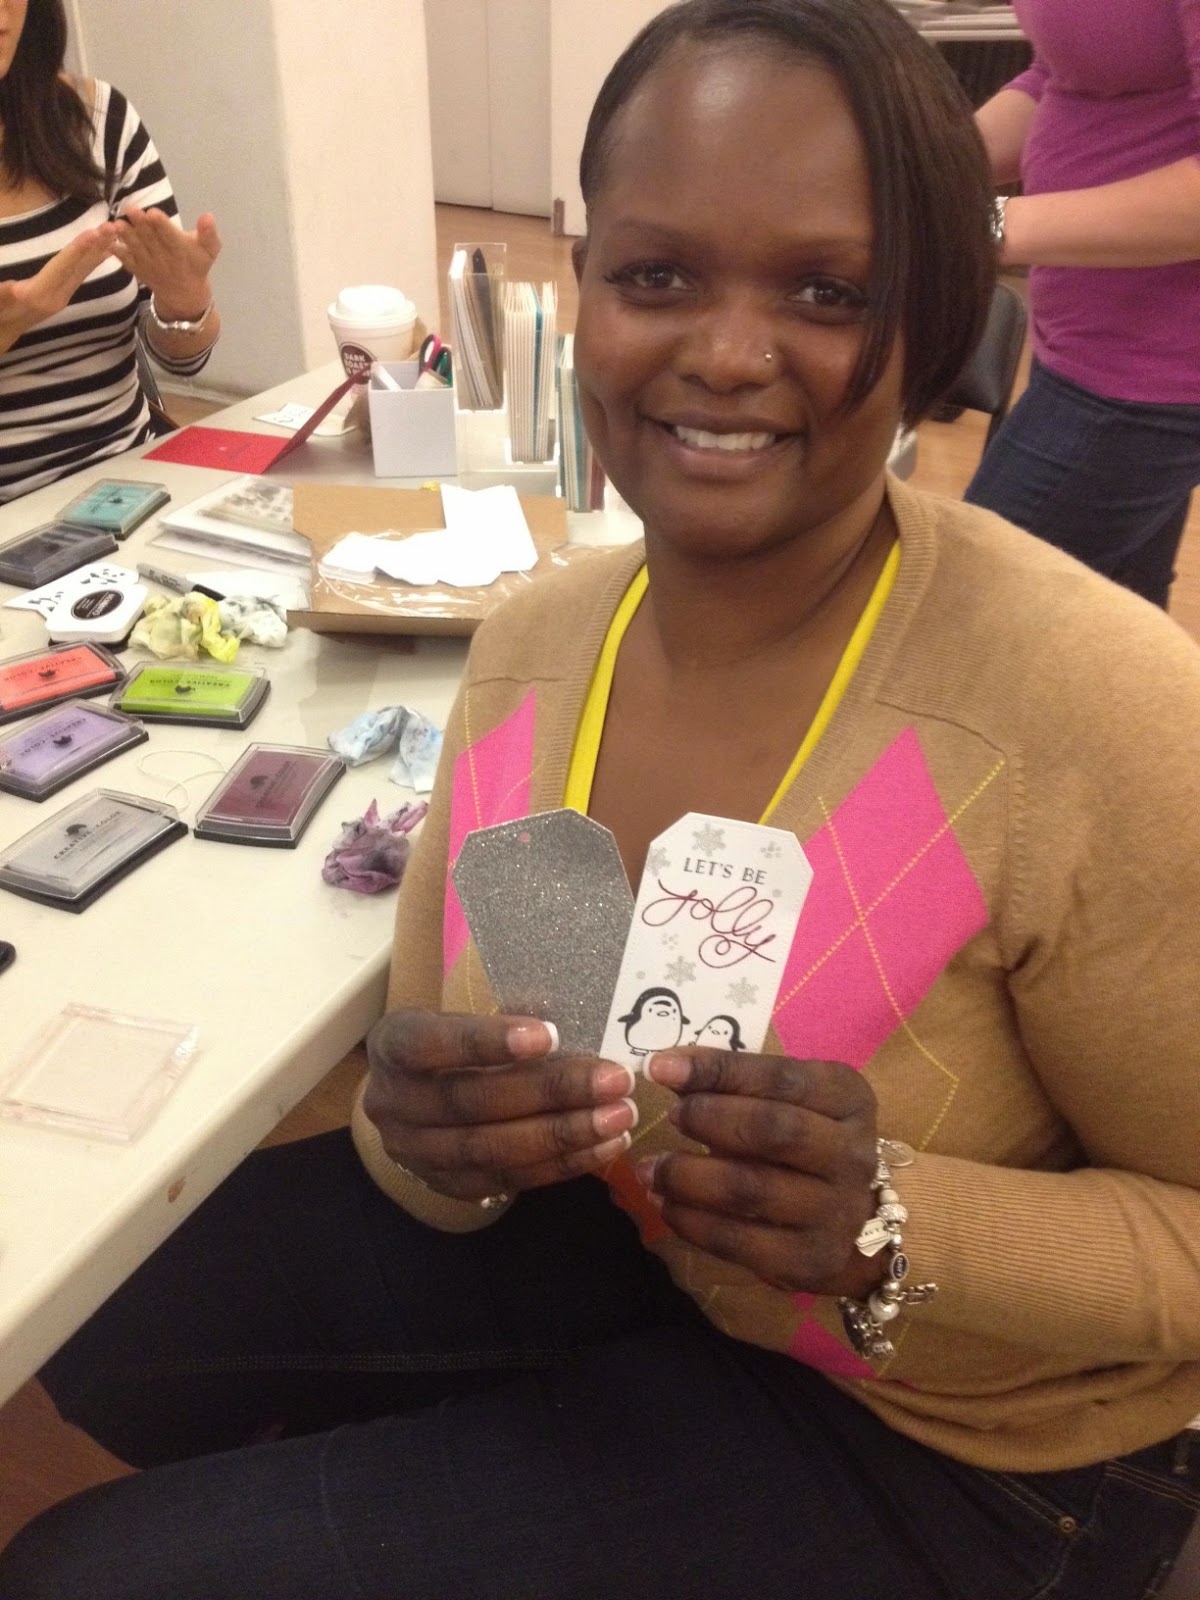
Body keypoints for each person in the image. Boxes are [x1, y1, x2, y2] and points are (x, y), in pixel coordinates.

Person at [4, 1, 1200, 1595]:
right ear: (586, 291)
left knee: (86, 1573)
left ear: (930, 323)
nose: (725, 352)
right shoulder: (537, 647)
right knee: (116, 1335)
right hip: (657, 1264)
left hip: (975, 1439)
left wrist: (896, 1226)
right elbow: (440, 1117)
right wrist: (428, 1138)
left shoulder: (1089, 709)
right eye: (657, 275)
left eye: (827, 291)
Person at [964, 0, 1200, 607]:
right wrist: (917, 171)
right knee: (1119, 604)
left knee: (968, 602)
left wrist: (981, 226)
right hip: (1088, 327)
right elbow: (1062, 71)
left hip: (1156, 361)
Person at [0, 0, 221, 504]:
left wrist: (185, 302)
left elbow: (184, 360)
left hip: (127, 487)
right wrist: (11, 325)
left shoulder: (98, 120)